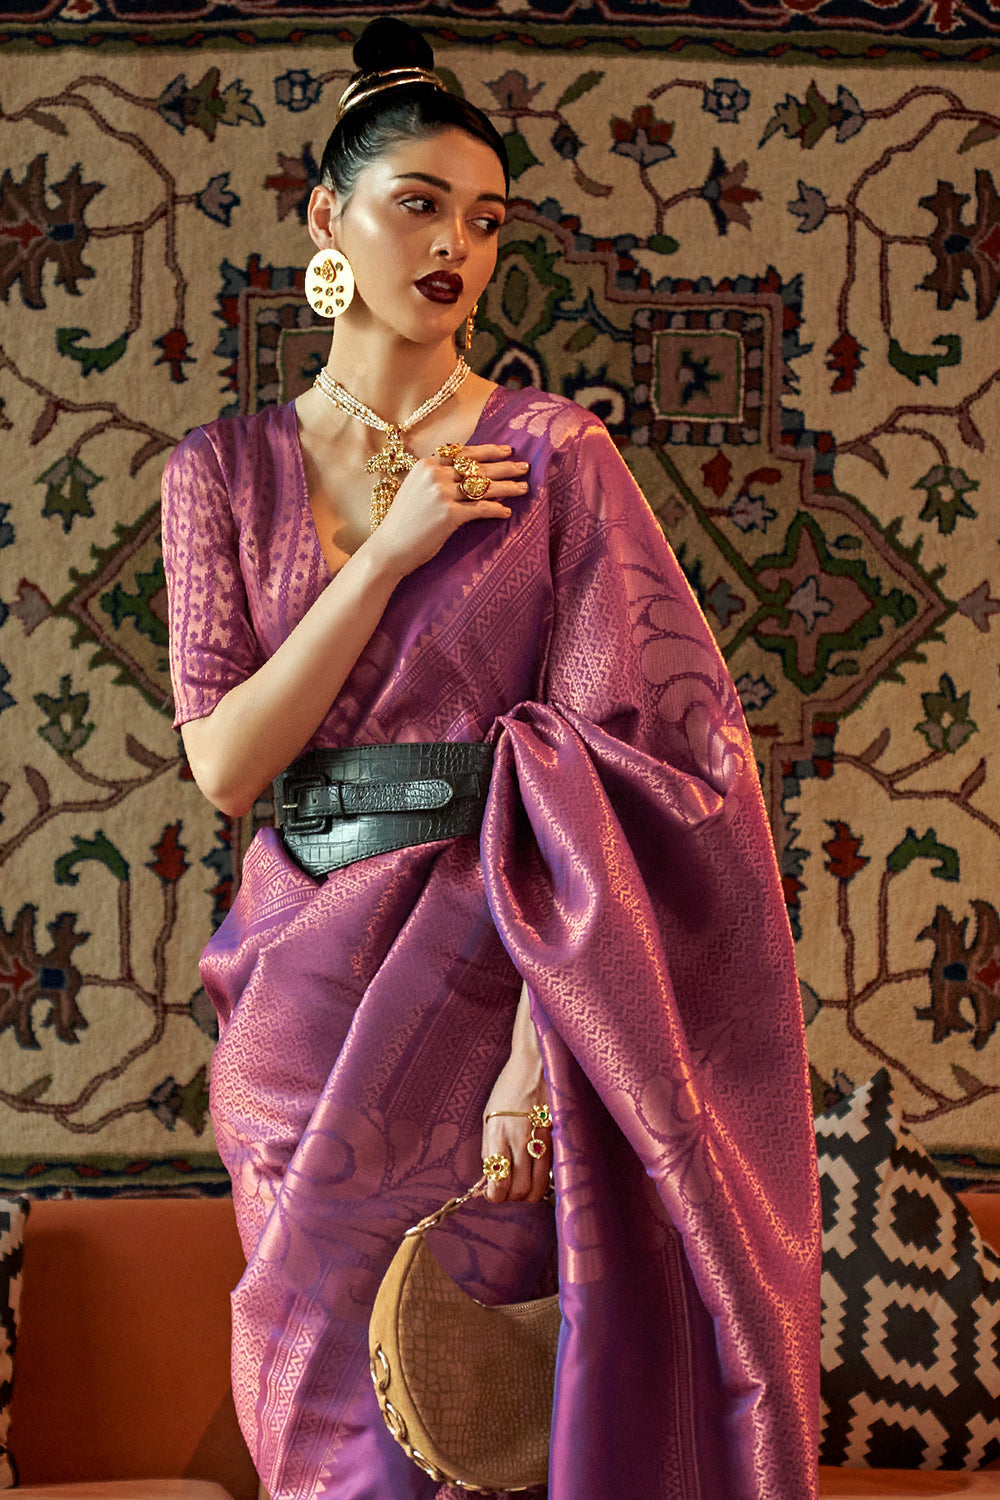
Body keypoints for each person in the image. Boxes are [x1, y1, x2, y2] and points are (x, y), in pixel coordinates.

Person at [161, 17, 820, 1500]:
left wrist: (541, 1047)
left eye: (485, 219)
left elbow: (632, 767)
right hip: (291, 996)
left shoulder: (554, 455)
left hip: (491, 978)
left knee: (467, 1432)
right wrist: (389, 551)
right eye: (419, 205)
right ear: (327, 219)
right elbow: (227, 765)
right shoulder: (218, 473)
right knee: (322, 1433)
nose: (455, 244)